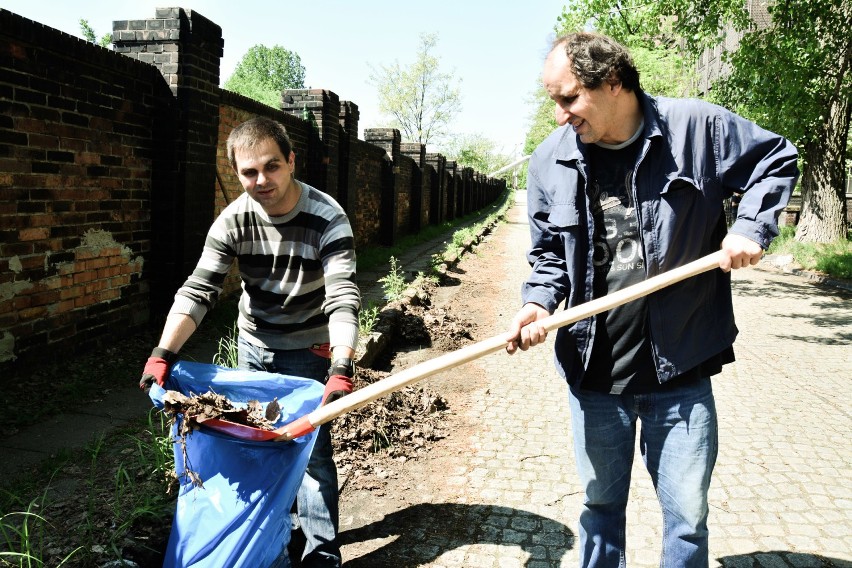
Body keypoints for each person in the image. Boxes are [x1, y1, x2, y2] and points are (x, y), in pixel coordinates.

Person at [504, 33, 798, 567]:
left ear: (612, 82)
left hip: (679, 371)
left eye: (568, 98)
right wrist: (538, 306)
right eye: (554, 99)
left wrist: (751, 227)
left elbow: (775, 157)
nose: (559, 113)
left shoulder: (695, 130)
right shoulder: (551, 161)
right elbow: (547, 256)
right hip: (594, 375)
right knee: (600, 509)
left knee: (687, 519)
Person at [139, 116, 360, 567]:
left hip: (311, 350)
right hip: (255, 345)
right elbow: (199, 289)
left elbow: (342, 297)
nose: (262, 181)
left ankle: (322, 554)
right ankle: (280, 538)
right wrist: (163, 353)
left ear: (291, 161)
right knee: (262, 444)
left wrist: (341, 365)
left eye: (272, 167)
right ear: (236, 173)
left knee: (312, 454)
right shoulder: (233, 220)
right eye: (249, 172)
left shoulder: (327, 218)